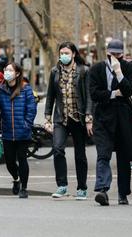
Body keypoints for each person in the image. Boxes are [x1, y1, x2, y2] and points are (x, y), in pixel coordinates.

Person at [89, 39, 132, 206]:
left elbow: (127, 91)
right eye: (113, 54)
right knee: (103, 154)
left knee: (123, 157)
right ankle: (102, 190)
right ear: (107, 52)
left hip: (123, 118)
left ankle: (122, 193)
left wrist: (119, 72)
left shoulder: (129, 68)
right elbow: (94, 93)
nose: (115, 57)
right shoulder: (97, 69)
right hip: (103, 117)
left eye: (118, 54)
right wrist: (113, 93)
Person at [44, 41, 93, 200]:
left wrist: (88, 116)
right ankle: (62, 185)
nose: (63, 56)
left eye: (66, 53)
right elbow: (50, 95)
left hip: (78, 118)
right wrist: (47, 117)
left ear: (73, 54)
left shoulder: (84, 71)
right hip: (61, 117)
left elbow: (89, 96)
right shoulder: (54, 72)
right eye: (61, 53)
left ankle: (82, 188)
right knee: (57, 149)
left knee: (80, 154)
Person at [0, 62, 37, 198]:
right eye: (6, 70)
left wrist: (26, 124)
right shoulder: (0, 90)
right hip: (7, 132)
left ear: (17, 74)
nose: (7, 72)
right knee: (10, 161)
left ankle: (24, 187)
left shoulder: (25, 89)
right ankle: (16, 179)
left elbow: (31, 109)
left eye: (10, 70)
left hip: (22, 132)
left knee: (22, 159)